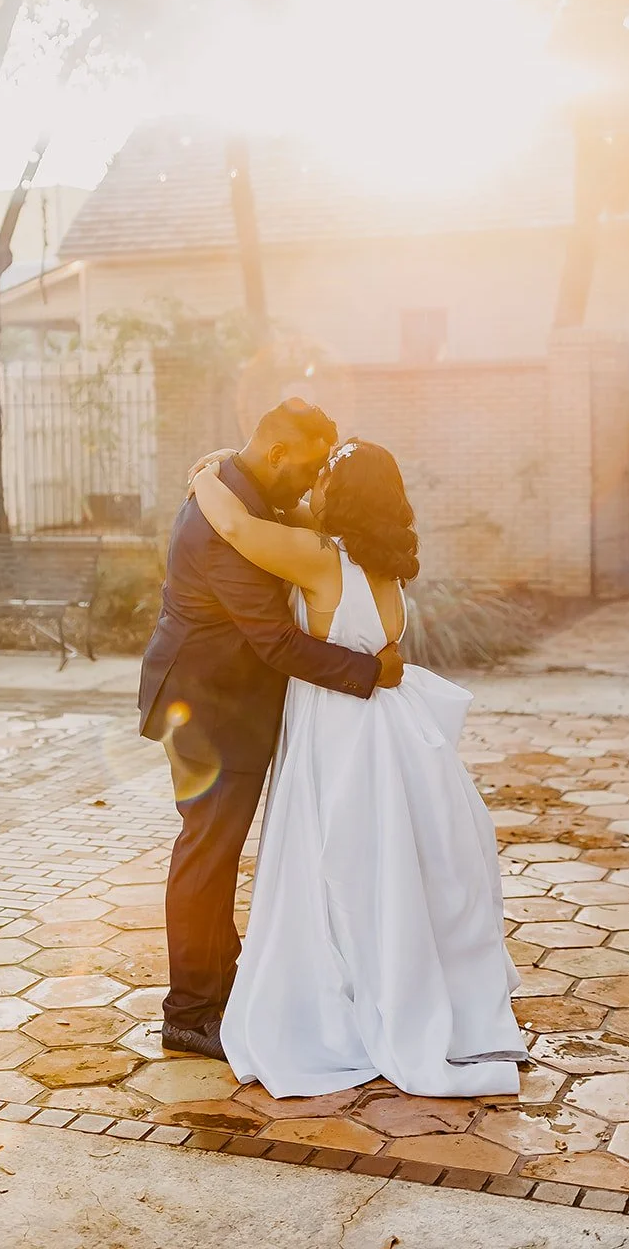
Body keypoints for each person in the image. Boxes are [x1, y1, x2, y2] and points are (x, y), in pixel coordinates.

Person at [189, 436, 527, 1097]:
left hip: (340, 732)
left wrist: (205, 473)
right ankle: (396, 977)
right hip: (388, 733)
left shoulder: (322, 559)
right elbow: (299, 528)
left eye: (323, 479)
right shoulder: (383, 565)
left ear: (340, 495)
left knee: (333, 862)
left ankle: (344, 999)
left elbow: (234, 527)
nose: (312, 488)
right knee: (381, 866)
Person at [138, 399, 405, 1060]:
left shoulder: (246, 492)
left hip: (227, 702)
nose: (313, 487)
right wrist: (369, 672)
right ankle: (189, 1013)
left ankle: (222, 988)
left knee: (217, 854)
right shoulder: (220, 517)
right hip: (207, 709)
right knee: (206, 856)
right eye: (310, 470)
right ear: (279, 455)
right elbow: (275, 641)